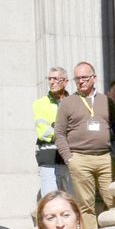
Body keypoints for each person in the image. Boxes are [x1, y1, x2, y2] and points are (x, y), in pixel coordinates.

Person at [54, 61, 115, 229]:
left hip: (105, 157)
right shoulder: (67, 103)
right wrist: (69, 158)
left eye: (84, 77)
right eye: (77, 79)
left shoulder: (106, 101)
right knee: (85, 205)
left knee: (113, 199)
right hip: (79, 158)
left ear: (94, 78)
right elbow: (59, 133)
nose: (81, 81)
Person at [34, 67, 71, 196]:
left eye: (55, 78)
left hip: (70, 160)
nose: (51, 82)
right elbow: (43, 132)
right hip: (49, 160)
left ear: (65, 82)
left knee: (73, 204)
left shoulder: (74, 102)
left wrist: (56, 126)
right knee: (51, 202)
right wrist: (65, 131)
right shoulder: (40, 104)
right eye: (49, 79)